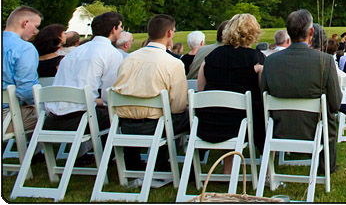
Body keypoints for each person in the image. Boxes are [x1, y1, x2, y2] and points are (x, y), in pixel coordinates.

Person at [260, 9, 342, 173]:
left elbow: (264, 93)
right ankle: (327, 167)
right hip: (314, 128)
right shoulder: (325, 60)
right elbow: (335, 103)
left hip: (278, 128)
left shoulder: (270, 61)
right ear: (311, 32)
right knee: (331, 119)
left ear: (288, 32)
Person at [111, 14, 189, 172]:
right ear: (169, 33)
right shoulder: (173, 63)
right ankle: (162, 162)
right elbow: (178, 105)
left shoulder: (128, 59)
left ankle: (132, 162)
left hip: (124, 124)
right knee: (186, 116)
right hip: (157, 126)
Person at [197, 13, 265, 160]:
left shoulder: (210, 58)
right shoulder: (256, 59)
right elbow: (264, 93)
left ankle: (227, 169)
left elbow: (200, 93)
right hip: (244, 125)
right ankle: (267, 172)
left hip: (209, 123)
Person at [44, 11, 125, 134]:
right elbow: (110, 95)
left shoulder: (73, 53)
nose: (121, 30)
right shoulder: (111, 53)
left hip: (52, 118)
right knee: (123, 115)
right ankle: (110, 152)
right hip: (81, 118)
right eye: (120, 27)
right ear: (114, 29)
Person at [3, 6, 42, 131]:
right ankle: (35, 151)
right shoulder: (25, 48)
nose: (36, 31)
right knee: (48, 115)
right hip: (6, 115)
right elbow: (26, 90)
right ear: (25, 23)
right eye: (36, 26)